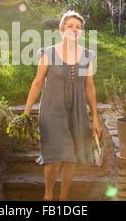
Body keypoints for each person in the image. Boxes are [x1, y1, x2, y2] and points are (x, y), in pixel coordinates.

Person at [22, 10, 101, 201]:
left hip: (77, 112)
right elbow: (37, 83)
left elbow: (89, 88)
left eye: (78, 27)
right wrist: (26, 112)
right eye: (70, 26)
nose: (74, 30)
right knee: (55, 155)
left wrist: (95, 118)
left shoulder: (88, 56)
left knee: (71, 158)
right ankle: (48, 195)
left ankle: (63, 199)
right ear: (61, 29)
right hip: (52, 111)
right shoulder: (48, 53)